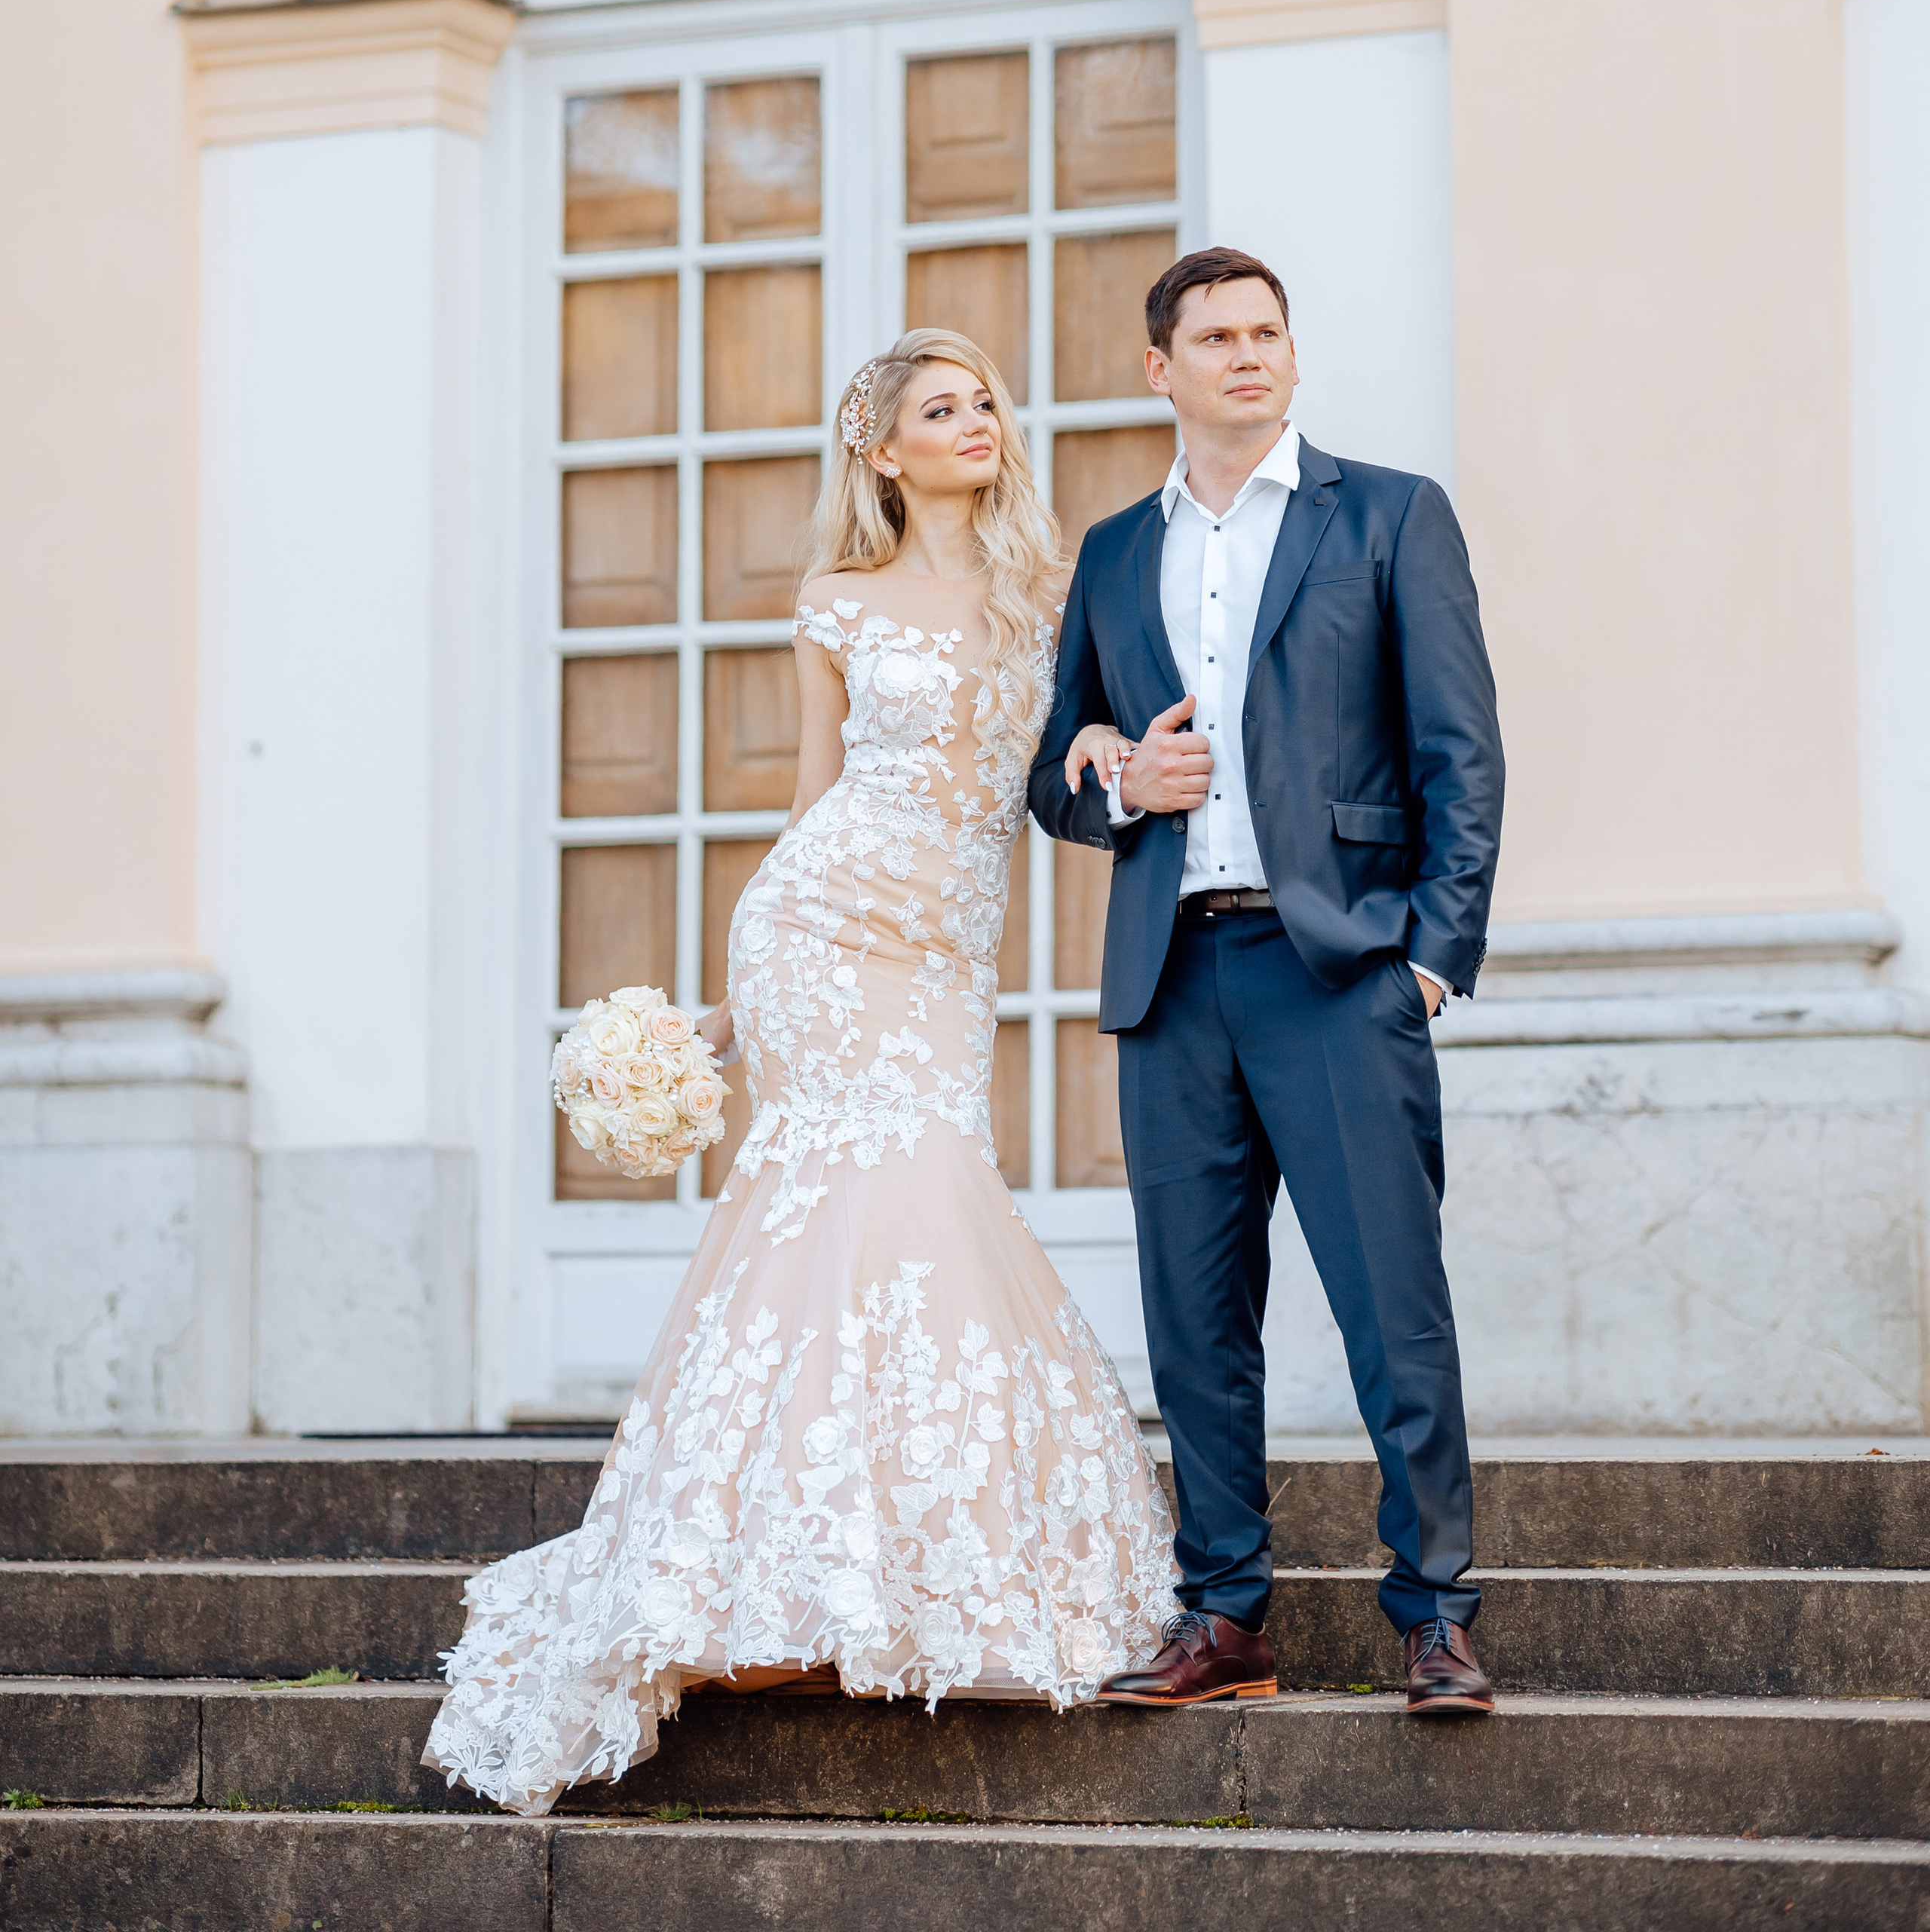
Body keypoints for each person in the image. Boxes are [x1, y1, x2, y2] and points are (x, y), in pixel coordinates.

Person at [425, 331, 1177, 1817]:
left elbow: (1060, 751)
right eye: (940, 411)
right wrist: (728, 1000)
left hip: (943, 961)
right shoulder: (831, 602)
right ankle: (789, 1584)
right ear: (882, 454)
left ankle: (895, 1573)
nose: (975, 425)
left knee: (923, 1205)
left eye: (982, 405)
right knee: (844, 1211)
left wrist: (1099, 745)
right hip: (819, 938)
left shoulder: (1051, 587)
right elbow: (807, 799)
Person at [1028, 247, 1505, 1719]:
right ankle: (1223, 1615)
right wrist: (1123, 779)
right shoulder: (1112, 552)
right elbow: (1059, 767)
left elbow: (1458, 756)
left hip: (1338, 972)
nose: (1246, 355)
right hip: (1172, 978)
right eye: (1214, 337)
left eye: (1266, 333)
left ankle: (1434, 1616)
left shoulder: (1388, 516)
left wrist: (1429, 962)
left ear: (1290, 357)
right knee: (1192, 1316)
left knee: (1390, 1306)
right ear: (1155, 369)